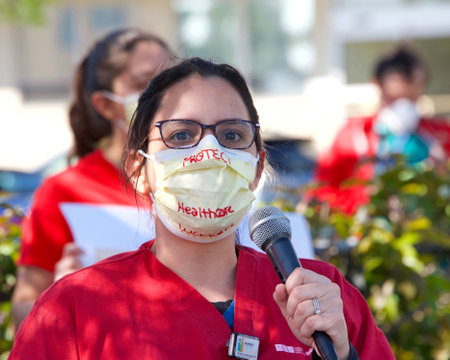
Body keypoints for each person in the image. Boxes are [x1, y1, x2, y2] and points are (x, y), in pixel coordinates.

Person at [10, 57, 394, 359]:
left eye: (231, 135)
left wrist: (341, 354)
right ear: (139, 170)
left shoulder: (323, 296)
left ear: (257, 167)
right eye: (180, 135)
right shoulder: (75, 307)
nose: (210, 152)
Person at [11, 28, 174, 331]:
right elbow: (21, 317)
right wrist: (56, 296)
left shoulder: (203, 178)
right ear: (105, 104)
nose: (164, 96)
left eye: (172, 80)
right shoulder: (63, 191)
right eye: (145, 84)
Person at [310, 46, 450, 214]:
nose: (403, 106)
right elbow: (320, 192)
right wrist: (362, 202)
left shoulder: (441, 136)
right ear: (377, 85)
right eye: (394, 98)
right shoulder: (352, 136)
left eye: (412, 98)